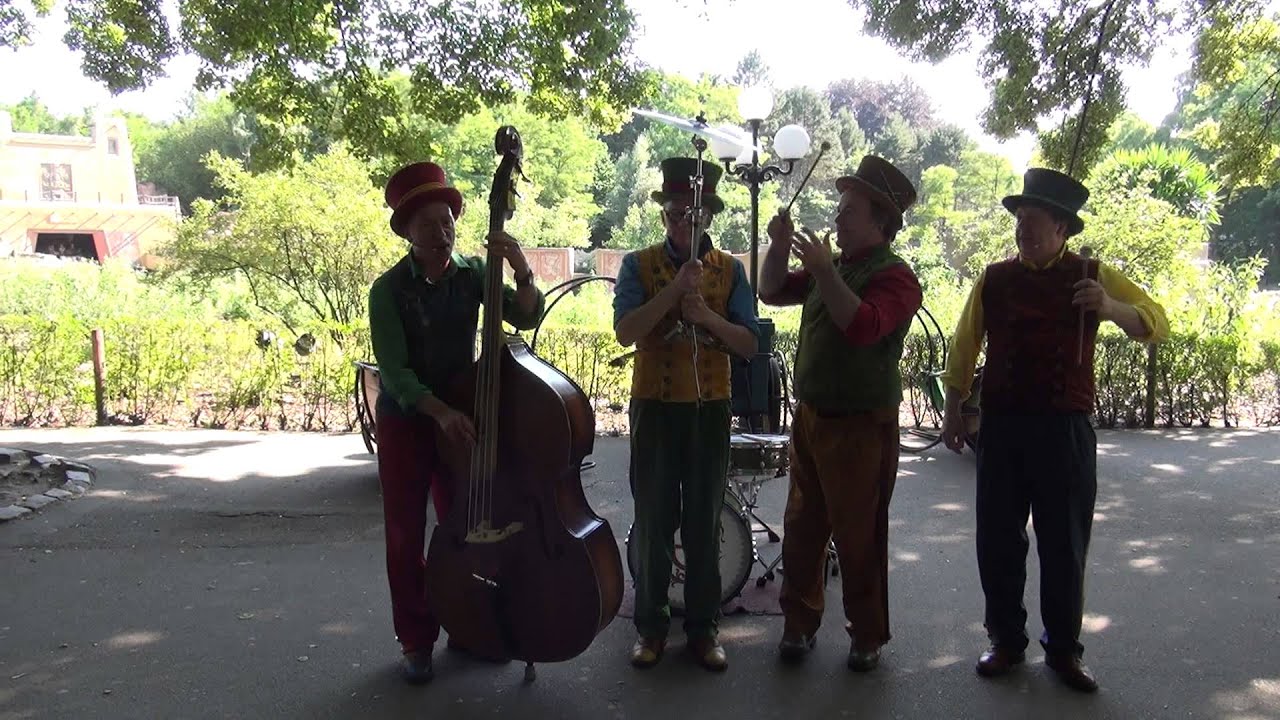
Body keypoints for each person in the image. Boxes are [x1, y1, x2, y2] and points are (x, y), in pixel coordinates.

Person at [940, 167, 1170, 693]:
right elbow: (964, 342)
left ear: (1063, 228)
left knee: (1064, 544)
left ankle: (1064, 650)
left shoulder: (1092, 274)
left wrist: (1110, 308)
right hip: (1000, 427)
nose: (1023, 229)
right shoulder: (994, 278)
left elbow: (1157, 321)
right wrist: (955, 408)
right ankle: (1005, 640)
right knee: (997, 539)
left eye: (1034, 220)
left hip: (1064, 429)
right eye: (1019, 220)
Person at [367, 160, 545, 684]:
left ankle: (467, 624)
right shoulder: (388, 290)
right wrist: (440, 413)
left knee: (467, 527)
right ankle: (416, 640)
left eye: (447, 221)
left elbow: (526, 315)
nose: (441, 232)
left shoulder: (472, 275)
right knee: (405, 533)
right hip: (409, 421)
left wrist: (521, 269)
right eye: (428, 225)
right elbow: (395, 374)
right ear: (407, 232)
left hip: (462, 420)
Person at [758, 155, 923, 672]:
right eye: (840, 207)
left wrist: (825, 270)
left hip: (860, 426)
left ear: (880, 221)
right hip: (811, 418)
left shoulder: (895, 277)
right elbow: (768, 289)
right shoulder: (837, 268)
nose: (837, 218)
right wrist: (780, 247)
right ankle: (798, 624)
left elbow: (864, 326)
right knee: (801, 526)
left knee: (859, 534)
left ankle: (867, 634)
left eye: (848, 211)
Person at [613, 157, 759, 672]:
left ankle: (703, 629)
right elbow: (626, 331)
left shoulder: (732, 270)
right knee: (654, 521)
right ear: (664, 216)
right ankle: (650, 629)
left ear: (710, 217)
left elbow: (748, 344)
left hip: (709, 410)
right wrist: (675, 293)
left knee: (704, 522)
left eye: (694, 215)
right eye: (676, 214)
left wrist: (706, 316)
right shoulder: (638, 264)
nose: (685, 224)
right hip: (654, 408)